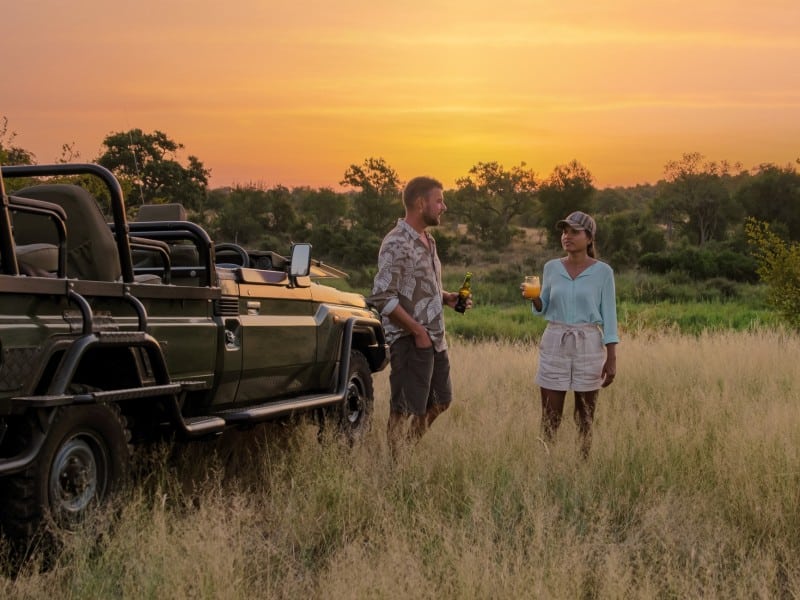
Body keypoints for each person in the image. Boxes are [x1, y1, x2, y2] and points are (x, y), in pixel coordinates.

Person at [369, 176, 470, 458]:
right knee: (402, 408)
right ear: (420, 202)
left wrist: (446, 297)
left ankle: (406, 452)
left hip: (435, 338)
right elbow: (382, 297)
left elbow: (423, 287)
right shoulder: (396, 242)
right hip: (409, 340)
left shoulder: (429, 240)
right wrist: (417, 331)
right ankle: (393, 463)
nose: (443, 207)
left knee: (441, 401)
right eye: (438, 200)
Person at [524, 211, 618, 457]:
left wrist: (612, 357)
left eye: (574, 232)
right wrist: (533, 298)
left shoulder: (603, 272)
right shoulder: (552, 267)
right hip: (555, 339)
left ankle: (582, 465)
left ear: (589, 238)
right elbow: (543, 307)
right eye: (564, 231)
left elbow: (609, 315)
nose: (567, 236)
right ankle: (546, 466)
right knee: (550, 416)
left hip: (588, 342)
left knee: (585, 417)